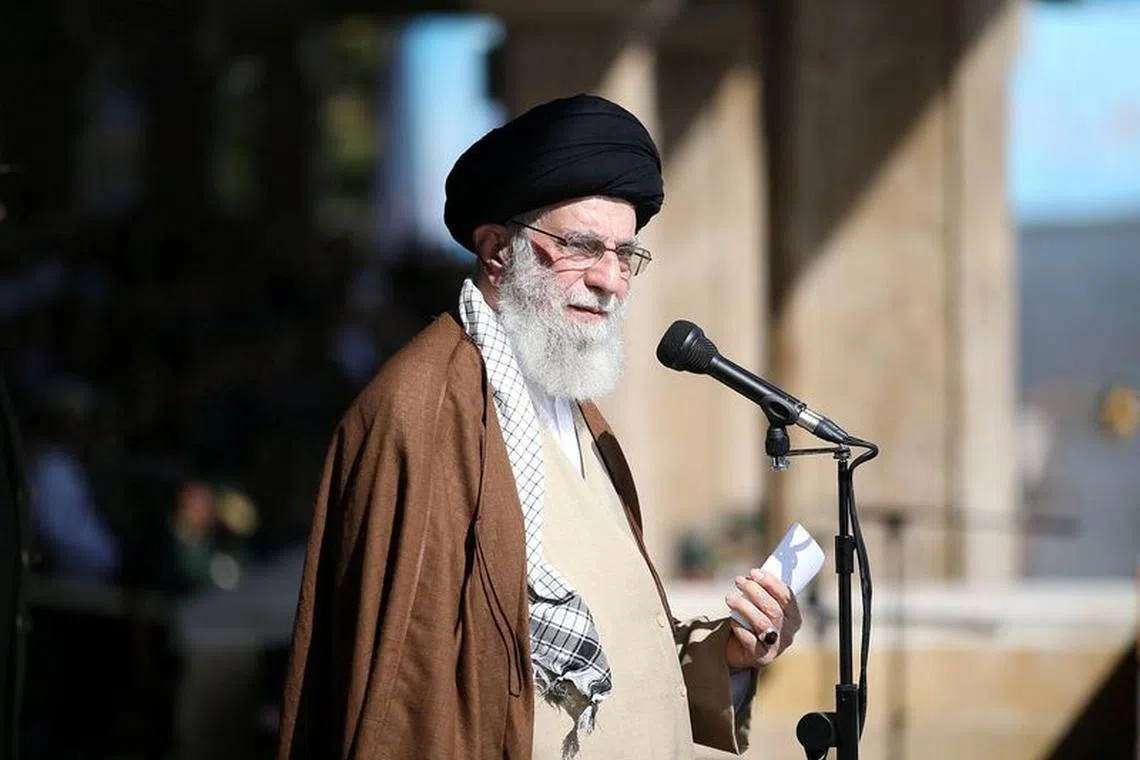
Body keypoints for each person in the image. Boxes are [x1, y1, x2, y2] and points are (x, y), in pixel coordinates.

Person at [275, 94, 801, 760]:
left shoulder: (577, 410)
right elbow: (404, 698)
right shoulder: (422, 410)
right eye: (583, 248)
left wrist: (727, 653)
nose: (610, 280)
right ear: (497, 250)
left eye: (626, 256)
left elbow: (612, 645)